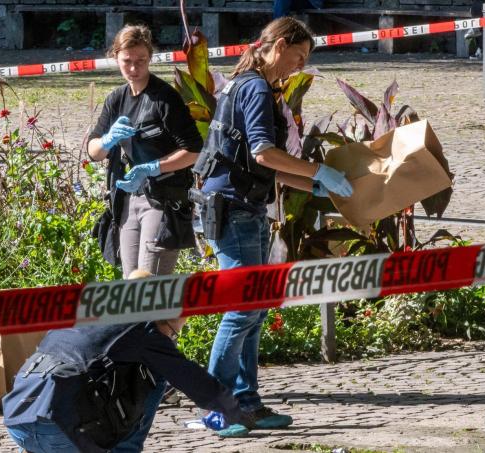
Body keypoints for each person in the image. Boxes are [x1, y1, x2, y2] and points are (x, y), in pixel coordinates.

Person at [191, 17, 353, 429]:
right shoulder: (256, 88)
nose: (299, 67)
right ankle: (218, 406)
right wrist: (318, 171)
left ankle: (246, 401)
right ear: (279, 46)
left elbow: (259, 164)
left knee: (255, 308)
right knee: (243, 309)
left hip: (243, 205)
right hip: (235, 210)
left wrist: (311, 184)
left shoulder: (246, 84)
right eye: (298, 57)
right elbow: (264, 153)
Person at [2, 271, 253, 453]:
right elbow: (191, 379)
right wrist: (234, 410)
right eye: (174, 333)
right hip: (61, 429)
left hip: (18, 419)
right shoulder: (143, 329)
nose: (172, 340)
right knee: (157, 376)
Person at [87, 24, 202, 279]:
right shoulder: (116, 99)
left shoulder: (164, 98)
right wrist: (107, 140)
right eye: (127, 61)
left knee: (150, 283)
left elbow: (194, 150)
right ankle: (140, 321)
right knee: (131, 283)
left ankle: (160, 321)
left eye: (141, 60)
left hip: (162, 199)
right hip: (128, 198)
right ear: (115, 57)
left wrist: (153, 167)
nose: (134, 68)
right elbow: (93, 151)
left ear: (150, 58)